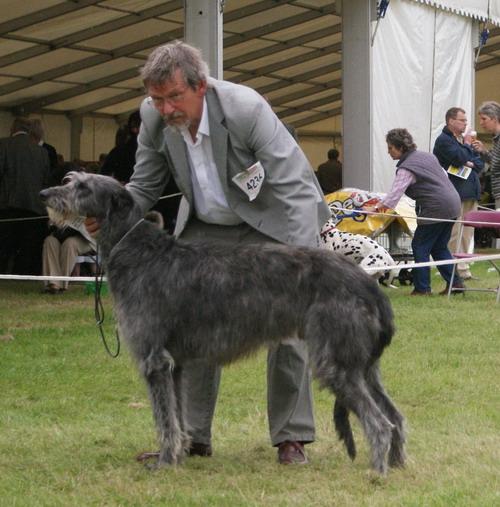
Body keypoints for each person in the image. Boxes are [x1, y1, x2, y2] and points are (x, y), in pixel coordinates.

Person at [86, 41, 330, 465]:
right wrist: (106, 215)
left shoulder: (244, 108)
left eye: (174, 97)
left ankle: (292, 436)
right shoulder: (152, 117)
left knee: (288, 327)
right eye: (157, 99)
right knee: (191, 326)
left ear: (200, 86)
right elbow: (143, 187)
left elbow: (295, 186)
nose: (165, 108)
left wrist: (301, 262)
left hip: (268, 225)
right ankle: (192, 437)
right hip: (205, 229)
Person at [370, 128, 464, 295]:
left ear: (401, 147)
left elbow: (395, 194)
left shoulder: (407, 167)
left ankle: (422, 288)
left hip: (436, 208)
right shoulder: (427, 156)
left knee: (420, 246)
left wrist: (376, 208)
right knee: (439, 246)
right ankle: (456, 283)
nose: (388, 152)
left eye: (390, 147)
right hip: (453, 204)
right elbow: (444, 177)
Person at [433, 107, 484, 281]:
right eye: (462, 120)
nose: (465, 124)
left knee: (467, 233)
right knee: (454, 232)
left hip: (470, 191)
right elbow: (459, 158)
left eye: (465, 120)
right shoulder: (443, 140)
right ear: (451, 121)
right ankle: (450, 269)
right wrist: (468, 148)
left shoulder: (464, 139)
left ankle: (463, 269)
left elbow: (478, 164)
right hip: (454, 192)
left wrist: (469, 156)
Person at [0, 117, 51, 275]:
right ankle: (23, 277)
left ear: (13, 128)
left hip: (8, 206)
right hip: (34, 210)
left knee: (4, 249)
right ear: (29, 131)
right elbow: (46, 182)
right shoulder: (42, 152)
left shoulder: (4, 145)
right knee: (26, 251)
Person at [42, 163, 95, 295]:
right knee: (50, 241)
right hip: (64, 234)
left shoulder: (88, 198)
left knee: (70, 244)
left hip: (88, 239)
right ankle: (53, 284)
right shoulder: (60, 199)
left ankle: (62, 284)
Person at [471, 101, 500, 211]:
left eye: (484, 119)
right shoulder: (496, 138)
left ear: (494, 118)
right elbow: (495, 161)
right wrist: (483, 151)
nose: (481, 123)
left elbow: (496, 164)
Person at [101, 111, 141, 184]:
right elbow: (105, 172)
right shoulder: (120, 150)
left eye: (137, 126)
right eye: (132, 127)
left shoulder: (149, 146)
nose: (135, 130)